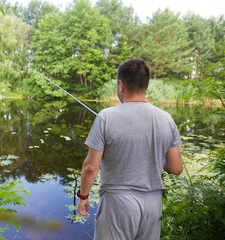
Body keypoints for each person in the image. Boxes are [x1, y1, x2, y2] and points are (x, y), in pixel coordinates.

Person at [77, 59, 183, 240]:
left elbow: (91, 167)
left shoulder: (106, 117)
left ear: (121, 85)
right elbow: (176, 168)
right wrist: (152, 152)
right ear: (146, 85)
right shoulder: (166, 118)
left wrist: (83, 196)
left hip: (118, 204)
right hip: (152, 203)